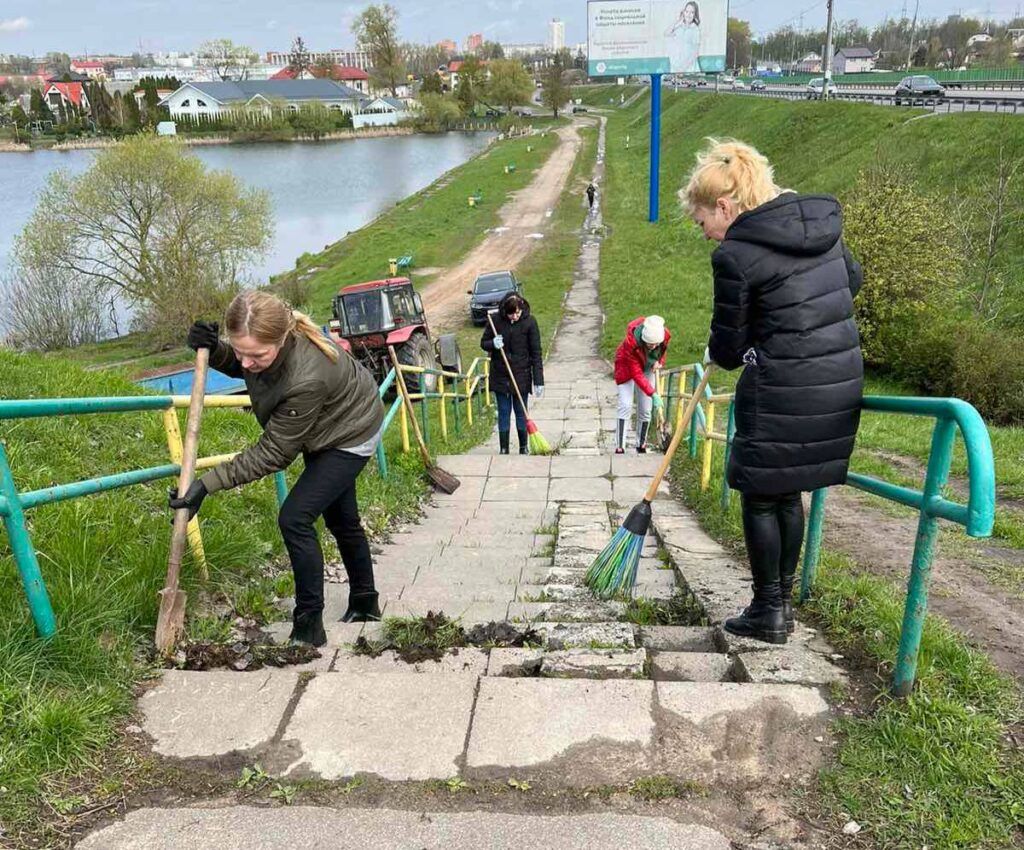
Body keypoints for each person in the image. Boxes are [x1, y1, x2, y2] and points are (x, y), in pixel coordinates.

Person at [682, 138, 863, 644]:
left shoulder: (736, 255)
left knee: (761, 496)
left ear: (725, 206)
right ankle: (780, 605)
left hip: (781, 385)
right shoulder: (820, 228)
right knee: (787, 492)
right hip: (835, 386)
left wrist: (749, 342)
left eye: (703, 223)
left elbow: (729, 347)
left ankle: (768, 609)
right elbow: (853, 279)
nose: (706, 236)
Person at [169, 290, 386, 647]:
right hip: (323, 424)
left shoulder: (307, 377)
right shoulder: (268, 347)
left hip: (351, 430)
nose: (246, 363)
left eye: (256, 355)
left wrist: (206, 484)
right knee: (340, 518)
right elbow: (249, 361)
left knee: (295, 517)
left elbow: (274, 452)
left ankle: (309, 625)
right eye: (240, 351)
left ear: (283, 339)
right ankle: (365, 602)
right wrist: (216, 349)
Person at [481, 292, 544, 455]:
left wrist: (539, 380)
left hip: (521, 375)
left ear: (522, 308)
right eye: (511, 313)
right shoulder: (495, 321)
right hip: (500, 375)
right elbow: (483, 343)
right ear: (505, 311)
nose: (515, 316)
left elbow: (536, 352)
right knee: (503, 412)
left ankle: (523, 447)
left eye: (518, 312)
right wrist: (493, 344)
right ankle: (504, 448)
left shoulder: (530, 322)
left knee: (521, 412)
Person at [613, 315, 671, 455]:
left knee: (646, 409)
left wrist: (660, 362)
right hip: (626, 368)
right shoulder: (631, 344)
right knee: (625, 405)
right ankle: (620, 446)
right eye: (650, 344)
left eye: (656, 344)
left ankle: (641, 444)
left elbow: (662, 352)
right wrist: (653, 393)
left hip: (648, 367)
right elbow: (637, 374)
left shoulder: (664, 336)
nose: (653, 347)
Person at [665, 2, 701, 74]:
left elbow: (695, 52)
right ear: (683, 12)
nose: (688, 15)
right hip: (676, 67)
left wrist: (684, 68)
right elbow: (666, 33)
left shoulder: (695, 30)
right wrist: (677, 20)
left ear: (695, 15)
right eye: (687, 11)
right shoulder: (679, 27)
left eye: (692, 12)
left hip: (689, 68)